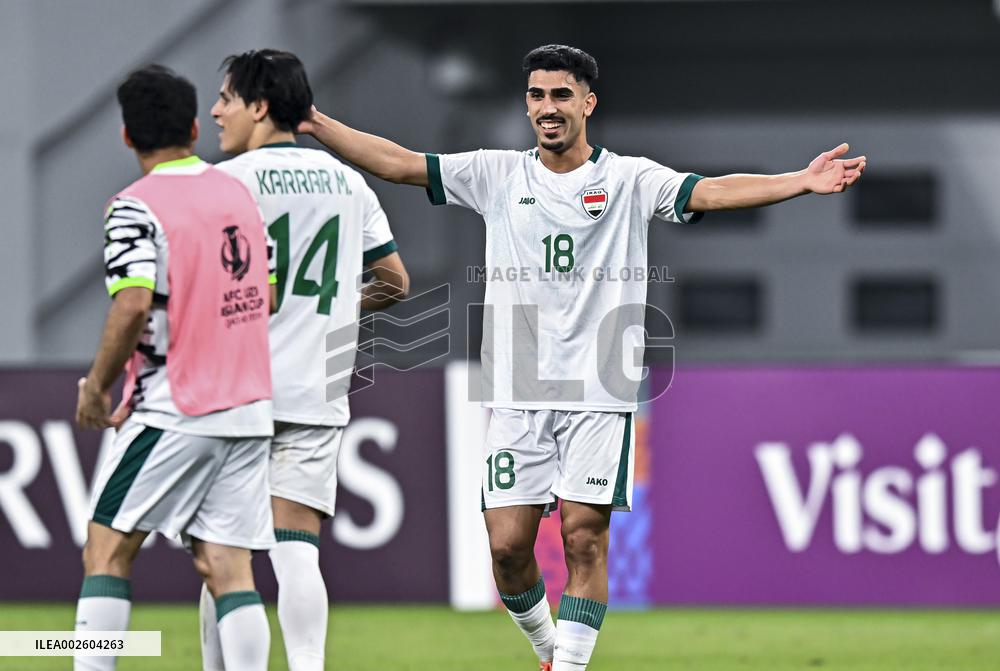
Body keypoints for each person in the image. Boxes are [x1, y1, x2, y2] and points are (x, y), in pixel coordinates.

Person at [299, 44, 866, 671]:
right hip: (517, 390)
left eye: (561, 95)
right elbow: (402, 165)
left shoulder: (628, 179)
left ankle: (569, 667)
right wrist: (317, 122)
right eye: (537, 96)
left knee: (583, 539)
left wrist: (799, 181)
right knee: (508, 549)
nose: (548, 108)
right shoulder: (497, 173)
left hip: (601, 390)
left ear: (588, 103)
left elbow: (712, 191)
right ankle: (551, 653)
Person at [196, 49, 408, 671]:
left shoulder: (226, 184)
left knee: (224, 557)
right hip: (315, 388)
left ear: (259, 106)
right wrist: (340, 309)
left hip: (236, 392)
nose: (216, 111)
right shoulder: (349, 182)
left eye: (227, 99)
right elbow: (395, 281)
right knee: (297, 551)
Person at [74, 65, 277, 671]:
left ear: (127, 137)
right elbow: (263, 296)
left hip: (176, 405)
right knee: (228, 565)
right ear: (194, 126)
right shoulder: (236, 193)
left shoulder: (134, 207)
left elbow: (133, 301)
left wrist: (97, 386)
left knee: (106, 550)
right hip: (248, 407)